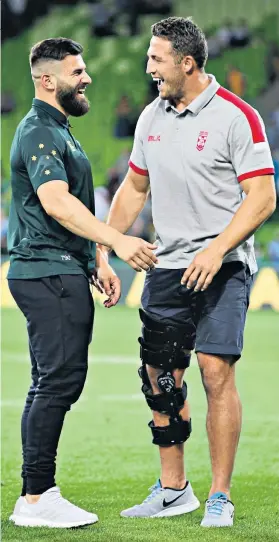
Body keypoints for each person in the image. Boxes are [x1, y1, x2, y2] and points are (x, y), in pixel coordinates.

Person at [100, 17, 276, 527]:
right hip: (165, 266)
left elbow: (262, 197)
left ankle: (220, 495)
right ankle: (174, 488)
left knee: (215, 372)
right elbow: (134, 188)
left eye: (156, 58)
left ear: (187, 63)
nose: (148, 67)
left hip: (224, 267)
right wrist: (107, 246)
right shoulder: (150, 118)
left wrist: (217, 249)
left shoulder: (238, 116)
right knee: (159, 379)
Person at [7, 37, 157, 529]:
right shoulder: (38, 131)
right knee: (57, 381)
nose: (87, 77)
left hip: (61, 268)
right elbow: (56, 203)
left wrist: (98, 259)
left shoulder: (58, 130)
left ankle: (36, 493)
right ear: (48, 80)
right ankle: (35, 497)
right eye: (77, 71)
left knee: (54, 381)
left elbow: (73, 208)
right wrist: (117, 239)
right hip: (45, 271)